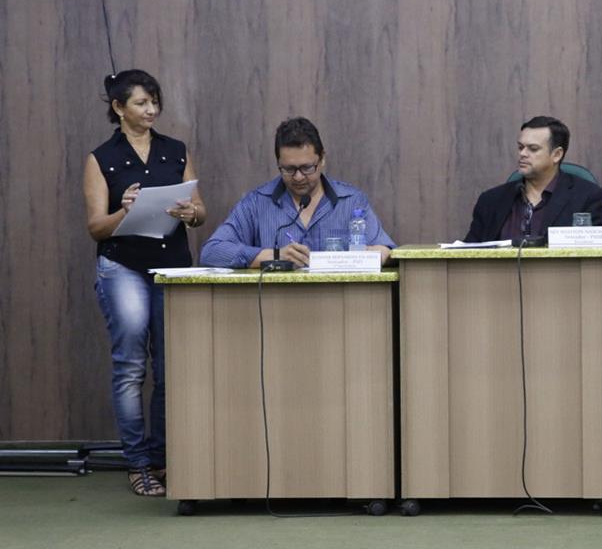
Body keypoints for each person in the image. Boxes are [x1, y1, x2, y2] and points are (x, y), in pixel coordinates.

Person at [83, 70, 206, 497]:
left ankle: (162, 459)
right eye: (141, 103)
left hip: (171, 267)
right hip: (123, 267)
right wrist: (125, 211)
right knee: (131, 367)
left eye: (155, 101)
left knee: (171, 369)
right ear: (118, 108)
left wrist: (191, 214)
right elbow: (96, 228)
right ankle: (137, 463)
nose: (151, 110)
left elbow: (200, 212)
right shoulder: (101, 158)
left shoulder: (176, 150)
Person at [200, 117, 394, 268]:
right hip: (275, 304)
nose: (299, 177)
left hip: (340, 303)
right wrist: (274, 256)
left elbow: (385, 249)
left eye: (307, 168)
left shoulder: (351, 201)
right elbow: (211, 252)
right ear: (278, 163)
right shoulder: (257, 203)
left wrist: (370, 256)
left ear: (322, 159)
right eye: (289, 169)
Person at [464, 116, 602, 242]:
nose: (523, 154)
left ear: (556, 155)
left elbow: (597, 255)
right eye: (520, 147)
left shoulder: (588, 198)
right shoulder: (491, 201)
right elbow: (468, 254)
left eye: (533, 149)